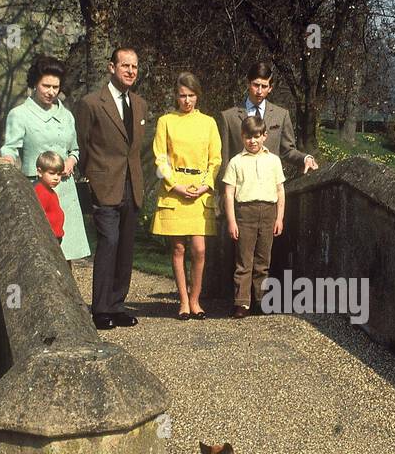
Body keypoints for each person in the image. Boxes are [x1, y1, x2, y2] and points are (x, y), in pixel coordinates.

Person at [75, 47, 146, 330]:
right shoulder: (91, 103)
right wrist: (90, 178)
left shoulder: (139, 104)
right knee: (109, 242)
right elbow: (82, 144)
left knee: (126, 246)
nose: (130, 71)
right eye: (125, 65)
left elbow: (133, 149)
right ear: (111, 67)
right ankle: (100, 308)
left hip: (132, 184)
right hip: (104, 184)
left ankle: (118, 305)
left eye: (134, 67)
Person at [0, 57, 86, 259]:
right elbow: (10, 148)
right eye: (46, 86)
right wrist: (8, 159)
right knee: (38, 255)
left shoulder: (67, 116)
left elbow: (75, 150)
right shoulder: (19, 114)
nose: (51, 92)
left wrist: (71, 161)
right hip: (36, 190)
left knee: (66, 254)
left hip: (65, 191)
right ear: (35, 84)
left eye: (56, 87)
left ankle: (66, 292)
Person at [152, 72, 221, 319]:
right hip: (175, 189)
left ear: (198, 96)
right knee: (179, 248)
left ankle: (195, 299)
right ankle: (182, 301)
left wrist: (205, 185)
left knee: (199, 249)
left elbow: (216, 160)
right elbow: (160, 158)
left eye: (191, 95)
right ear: (176, 96)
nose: (187, 101)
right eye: (182, 96)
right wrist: (174, 184)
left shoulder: (209, 123)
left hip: (199, 189)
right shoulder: (166, 121)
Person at [221, 115, 284, 318]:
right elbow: (229, 193)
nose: (253, 141)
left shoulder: (273, 160)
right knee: (244, 260)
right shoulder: (236, 162)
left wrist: (279, 218)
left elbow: (280, 191)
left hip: (268, 212)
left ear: (265, 136)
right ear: (242, 137)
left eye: (257, 136)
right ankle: (242, 303)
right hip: (245, 213)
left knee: (263, 260)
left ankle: (261, 300)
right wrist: (231, 221)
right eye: (249, 137)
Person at [218, 62, 319, 178]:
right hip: (239, 188)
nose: (259, 91)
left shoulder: (281, 115)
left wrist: (305, 158)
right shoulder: (228, 117)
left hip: (270, 188)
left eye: (264, 86)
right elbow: (224, 159)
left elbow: (288, 151)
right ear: (248, 84)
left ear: (270, 88)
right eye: (256, 85)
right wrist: (224, 191)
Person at [33, 151, 66, 241]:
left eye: (59, 174)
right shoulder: (40, 191)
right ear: (40, 172)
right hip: (48, 237)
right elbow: (38, 216)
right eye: (52, 173)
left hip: (55, 235)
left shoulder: (49, 191)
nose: (56, 178)